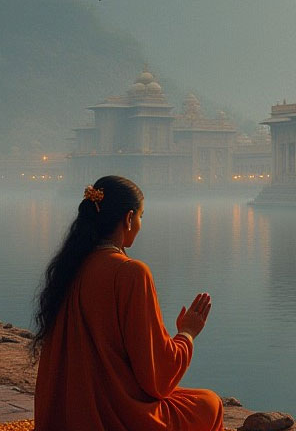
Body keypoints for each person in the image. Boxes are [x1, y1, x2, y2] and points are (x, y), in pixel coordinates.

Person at [32, 176, 223, 431]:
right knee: (210, 404)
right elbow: (157, 379)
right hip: (114, 416)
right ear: (129, 218)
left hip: (62, 415)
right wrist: (187, 333)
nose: (141, 224)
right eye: (142, 217)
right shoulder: (131, 273)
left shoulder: (69, 266)